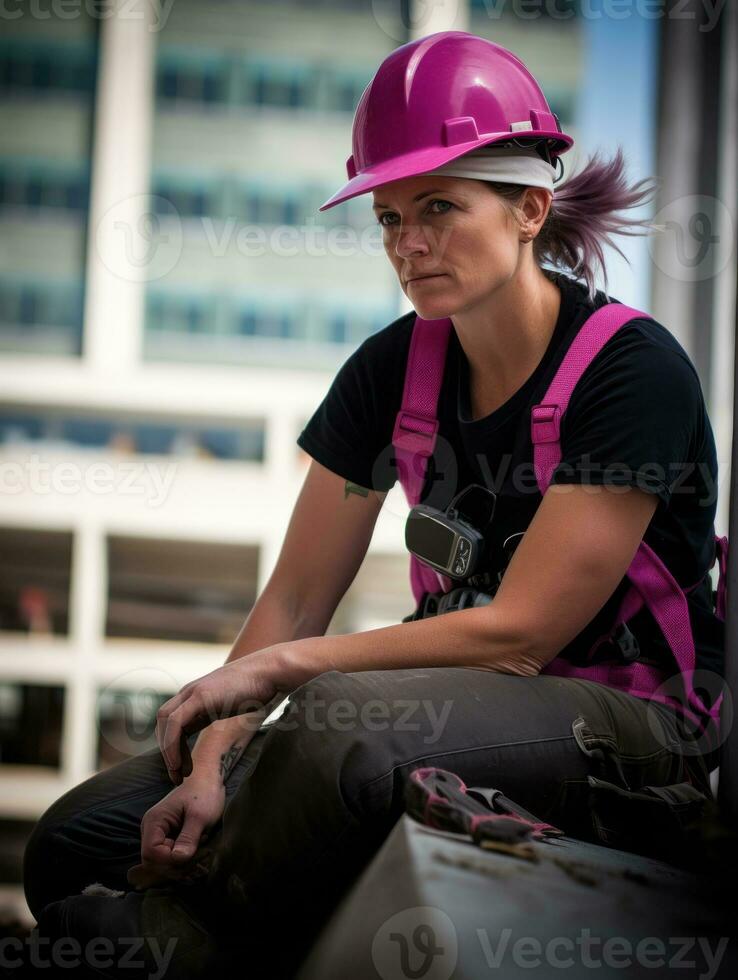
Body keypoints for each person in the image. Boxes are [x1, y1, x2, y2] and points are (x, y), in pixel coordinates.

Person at [23, 31, 725, 978]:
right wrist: (213, 751)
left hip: (632, 728)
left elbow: (518, 633)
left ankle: (183, 949)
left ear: (530, 208)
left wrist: (283, 674)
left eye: (439, 206)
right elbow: (294, 599)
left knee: (337, 720)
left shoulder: (632, 375)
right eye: (390, 219)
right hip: (450, 711)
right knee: (76, 836)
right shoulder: (391, 371)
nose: (410, 244)